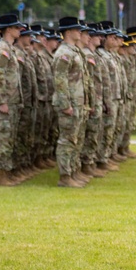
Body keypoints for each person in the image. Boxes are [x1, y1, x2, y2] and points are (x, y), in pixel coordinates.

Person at [51, 17, 87, 188]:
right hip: (69, 103)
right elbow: (60, 80)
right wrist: (65, 105)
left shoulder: (73, 51)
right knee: (67, 140)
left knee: (75, 139)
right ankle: (65, 176)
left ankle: (72, 172)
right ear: (67, 32)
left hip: (77, 101)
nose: (80, 32)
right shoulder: (64, 53)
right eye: (76, 29)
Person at [0, 14, 24, 186]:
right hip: (3, 101)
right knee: (1, 138)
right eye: (17, 28)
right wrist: (2, 100)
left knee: (8, 137)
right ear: (8, 29)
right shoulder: (2, 49)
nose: (20, 31)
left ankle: (6, 171)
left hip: (11, 100)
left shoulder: (9, 48)